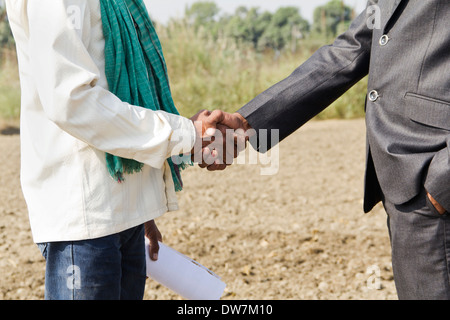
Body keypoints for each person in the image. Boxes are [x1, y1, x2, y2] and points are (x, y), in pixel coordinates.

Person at [208, 0, 450, 300]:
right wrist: (247, 122)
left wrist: (443, 180)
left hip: (433, 176)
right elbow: (351, 49)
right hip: (406, 183)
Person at [5, 0, 228, 300]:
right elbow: (70, 100)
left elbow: (115, 82)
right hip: (85, 219)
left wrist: (140, 200)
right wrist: (187, 135)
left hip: (122, 211)